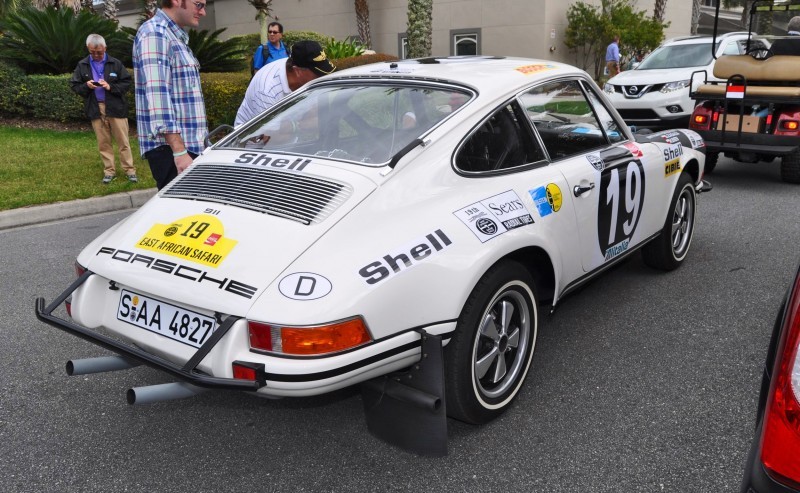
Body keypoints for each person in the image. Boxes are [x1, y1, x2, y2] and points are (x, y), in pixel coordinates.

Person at [133, 0, 208, 190]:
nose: (203, 12)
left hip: (187, 148)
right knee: (181, 217)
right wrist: (179, 152)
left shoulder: (173, 36)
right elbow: (158, 96)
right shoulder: (156, 33)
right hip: (173, 152)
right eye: (199, 4)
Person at [70, 34, 136, 184]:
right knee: (103, 142)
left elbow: (126, 83)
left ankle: (130, 169)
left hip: (116, 107)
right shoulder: (83, 65)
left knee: (123, 141)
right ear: (88, 49)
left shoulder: (115, 63)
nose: (96, 55)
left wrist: (110, 86)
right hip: (96, 107)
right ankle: (109, 171)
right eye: (92, 52)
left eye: (99, 52)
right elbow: (74, 85)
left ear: (105, 48)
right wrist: (86, 86)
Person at [234, 40, 336, 126]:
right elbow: (273, 137)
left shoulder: (300, 76)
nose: (321, 78)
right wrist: (300, 126)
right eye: (317, 74)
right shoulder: (267, 90)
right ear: (297, 71)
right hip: (254, 146)